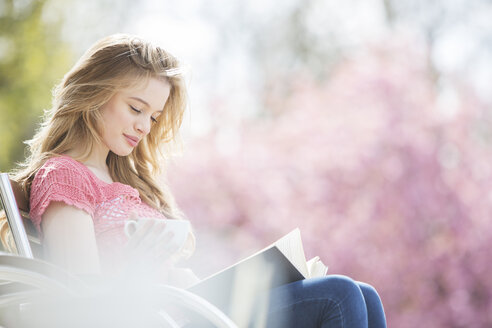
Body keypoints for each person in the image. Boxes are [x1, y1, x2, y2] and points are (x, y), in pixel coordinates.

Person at [5, 34, 387, 327]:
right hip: (158, 318)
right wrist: (136, 266)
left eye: (153, 117)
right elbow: (79, 301)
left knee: (365, 295)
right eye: (136, 108)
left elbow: (167, 275)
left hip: (181, 308)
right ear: (93, 96)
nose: (144, 126)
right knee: (339, 295)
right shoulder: (65, 177)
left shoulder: (126, 180)